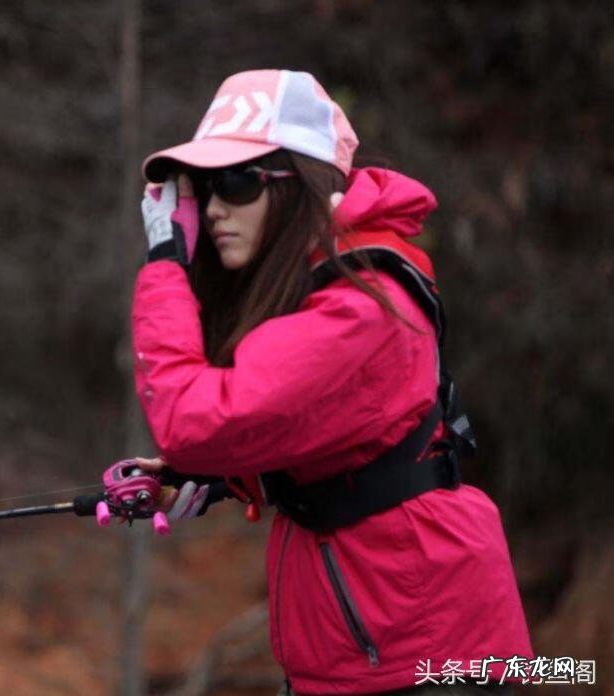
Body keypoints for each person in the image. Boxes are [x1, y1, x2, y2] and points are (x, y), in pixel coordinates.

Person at [113, 69, 533, 694]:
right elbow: (332, 433)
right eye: (202, 188)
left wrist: (167, 267)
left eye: (236, 181)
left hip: (429, 653)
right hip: (365, 645)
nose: (215, 207)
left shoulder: (359, 306)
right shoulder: (321, 288)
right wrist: (220, 478)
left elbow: (192, 424)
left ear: (301, 187)